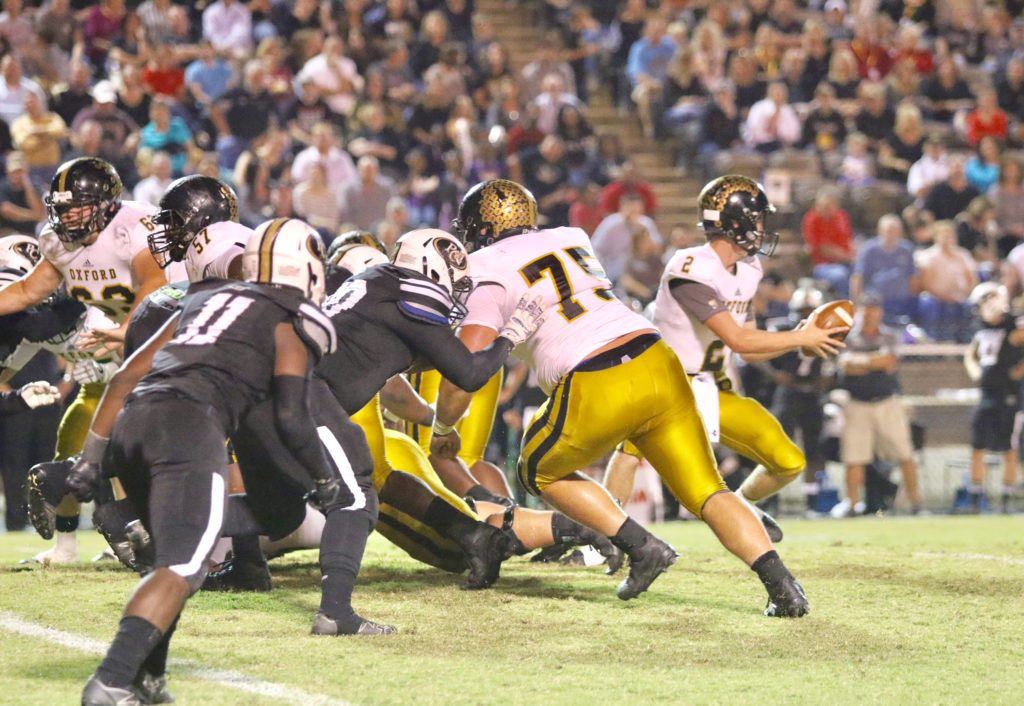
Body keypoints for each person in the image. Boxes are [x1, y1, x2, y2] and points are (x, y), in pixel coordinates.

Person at [435, 178, 814, 616]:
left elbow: (465, 371)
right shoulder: (571, 237)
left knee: (536, 469)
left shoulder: (486, 266)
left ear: (480, 228)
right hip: (657, 358)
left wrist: (444, 428)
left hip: (596, 373)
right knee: (709, 490)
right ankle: (783, 587)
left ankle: (641, 546)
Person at [70, 220, 378, 704]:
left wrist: (92, 458)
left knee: (172, 560)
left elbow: (126, 375)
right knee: (183, 568)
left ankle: (148, 679)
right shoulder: (297, 316)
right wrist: (324, 476)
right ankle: (111, 681)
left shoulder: (205, 295)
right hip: (189, 426)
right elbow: (292, 415)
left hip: (133, 423)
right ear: (309, 270)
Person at [601, 175, 846, 542]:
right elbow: (738, 339)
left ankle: (743, 507)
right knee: (631, 452)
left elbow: (751, 336)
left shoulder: (749, 269)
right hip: (669, 383)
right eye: (758, 219)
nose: (762, 228)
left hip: (714, 384)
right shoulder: (690, 266)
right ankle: (603, 538)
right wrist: (800, 337)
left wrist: (799, 339)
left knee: (788, 461)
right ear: (737, 223)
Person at [0, 157, 166, 564]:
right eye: (62, 207)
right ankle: (68, 545)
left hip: (159, 342)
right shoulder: (56, 245)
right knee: (74, 438)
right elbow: (25, 292)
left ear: (107, 203)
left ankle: (149, 529)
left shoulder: (135, 228)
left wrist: (124, 332)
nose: (68, 216)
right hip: (108, 357)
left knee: (138, 442)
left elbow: (157, 286)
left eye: (78, 206)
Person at [834, 293, 922, 517]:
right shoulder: (848, 337)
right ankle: (852, 504)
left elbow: (889, 361)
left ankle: (916, 504)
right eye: (866, 310)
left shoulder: (890, 336)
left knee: (905, 454)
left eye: (874, 309)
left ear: (880, 312)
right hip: (857, 403)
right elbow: (846, 365)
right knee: (853, 458)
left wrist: (861, 362)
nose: (870, 314)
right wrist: (874, 361)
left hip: (886, 402)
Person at [766, 282, 836, 514]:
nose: (805, 317)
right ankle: (771, 499)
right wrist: (775, 374)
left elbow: (835, 359)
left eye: (809, 312)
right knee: (778, 448)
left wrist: (828, 375)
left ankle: (812, 499)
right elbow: (756, 354)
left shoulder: (826, 331)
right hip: (789, 392)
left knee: (814, 450)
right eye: (802, 312)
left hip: (812, 394)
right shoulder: (783, 328)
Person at [963, 283, 1022, 513]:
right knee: (978, 445)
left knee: (1009, 447)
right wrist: (975, 371)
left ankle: (1006, 499)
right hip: (986, 394)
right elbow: (971, 353)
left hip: (1008, 394)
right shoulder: (980, 328)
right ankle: (976, 497)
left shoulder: (1013, 324)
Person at [850, 214, 919, 323]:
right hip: (875, 302)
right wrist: (856, 304)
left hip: (900, 301)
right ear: (880, 231)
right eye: (888, 230)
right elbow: (858, 277)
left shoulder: (907, 249)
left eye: (895, 230)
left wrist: (911, 300)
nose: (891, 234)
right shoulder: (869, 249)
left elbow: (913, 278)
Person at [915, 220, 977, 342]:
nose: (948, 238)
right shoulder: (927, 256)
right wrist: (946, 297)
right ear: (936, 237)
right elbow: (925, 284)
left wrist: (963, 295)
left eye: (950, 235)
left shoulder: (963, 255)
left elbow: (973, 280)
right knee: (931, 304)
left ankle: (965, 343)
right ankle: (935, 341)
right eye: (944, 235)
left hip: (961, 298)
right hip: (936, 298)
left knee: (970, 307)